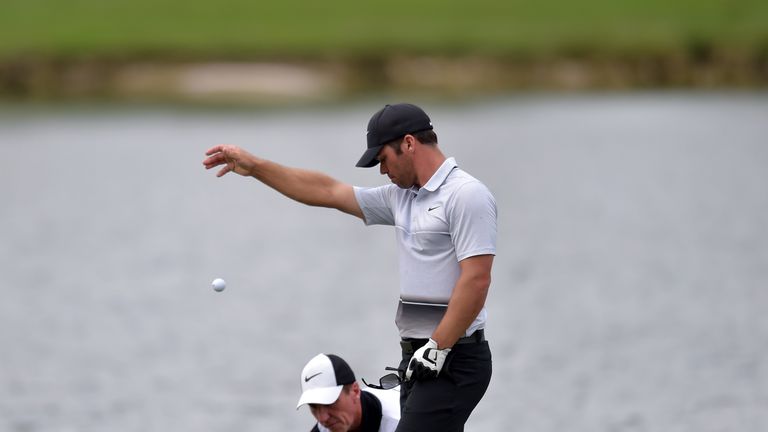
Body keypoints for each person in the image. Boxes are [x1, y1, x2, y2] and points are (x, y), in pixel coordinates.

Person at [203, 103, 496, 431]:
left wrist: (438, 347)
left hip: (455, 357)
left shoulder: (466, 195)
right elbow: (327, 191)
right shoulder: (402, 198)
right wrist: (255, 167)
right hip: (419, 356)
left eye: (383, 159)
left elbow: (476, 281)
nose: (382, 171)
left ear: (409, 144)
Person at [297, 353, 400, 432]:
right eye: (314, 406)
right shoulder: (326, 426)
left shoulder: (398, 422)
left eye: (329, 403)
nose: (323, 418)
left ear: (355, 391)